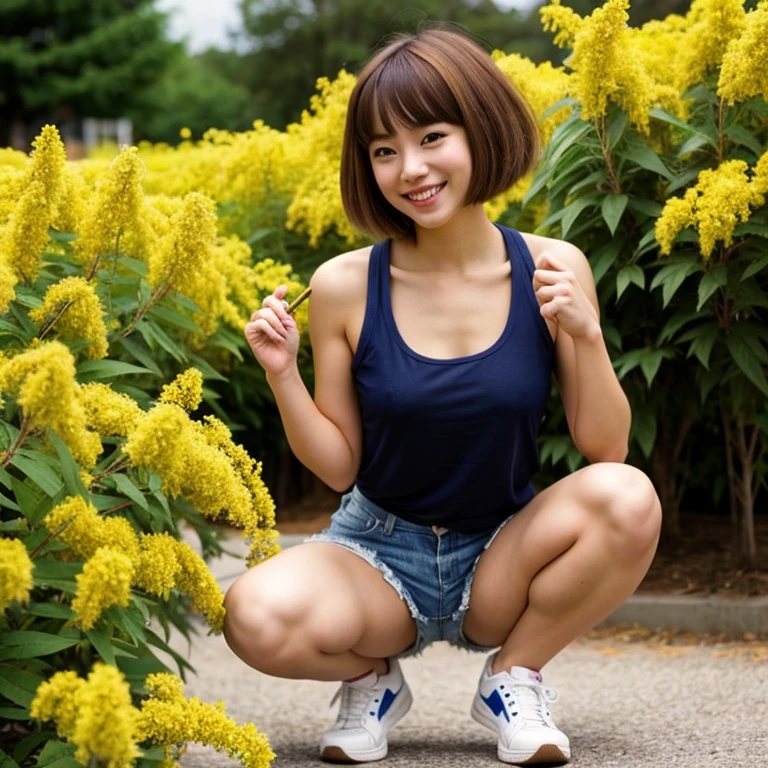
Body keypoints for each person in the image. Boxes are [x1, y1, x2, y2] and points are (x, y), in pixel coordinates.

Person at [224, 26, 662, 766]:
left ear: (480, 130)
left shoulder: (555, 267)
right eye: (384, 150)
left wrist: (585, 335)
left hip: (500, 550)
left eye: (431, 137)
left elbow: (605, 449)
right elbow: (337, 468)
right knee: (253, 615)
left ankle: (514, 676)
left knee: (628, 496)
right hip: (376, 551)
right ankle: (374, 683)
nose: (410, 169)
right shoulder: (343, 285)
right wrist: (281, 373)